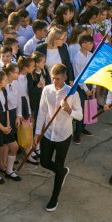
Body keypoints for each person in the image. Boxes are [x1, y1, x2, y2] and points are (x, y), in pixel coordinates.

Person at [34, 64, 82, 212]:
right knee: (44, 162)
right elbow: (42, 111)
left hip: (63, 135)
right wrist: (37, 133)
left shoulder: (72, 93)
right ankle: (61, 171)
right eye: (53, 78)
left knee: (59, 164)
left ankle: (54, 197)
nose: (54, 82)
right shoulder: (47, 89)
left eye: (57, 79)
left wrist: (69, 110)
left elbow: (80, 115)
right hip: (48, 134)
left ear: (65, 78)